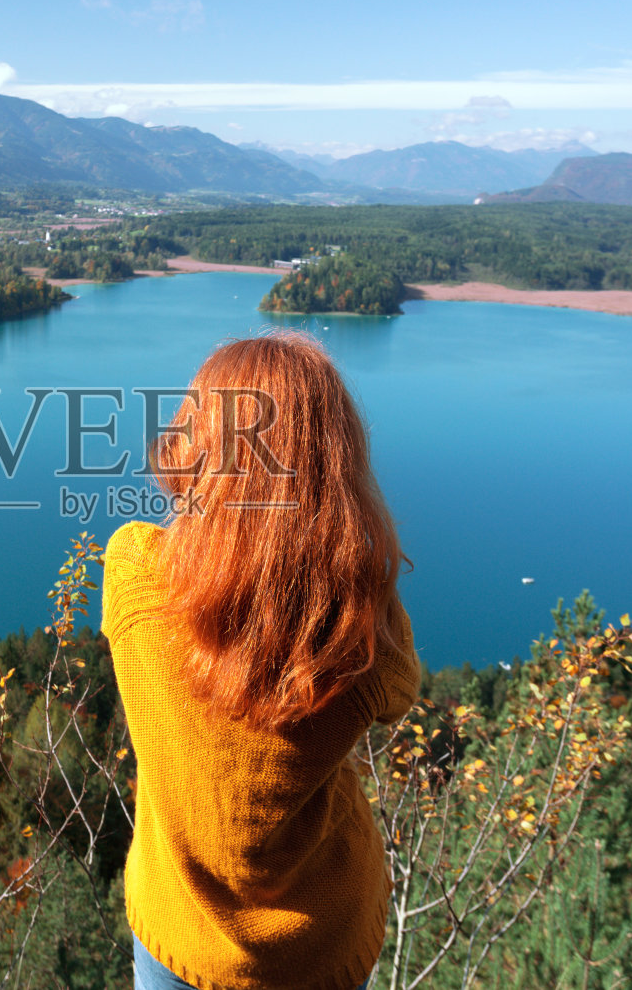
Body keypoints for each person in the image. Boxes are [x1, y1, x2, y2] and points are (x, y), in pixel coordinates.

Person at [103, 330, 420, 990]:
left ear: (197, 447)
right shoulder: (360, 636)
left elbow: (180, 547)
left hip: (178, 936)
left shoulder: (133, 569)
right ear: (337, 466)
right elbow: (401, 690)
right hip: (318, 943)